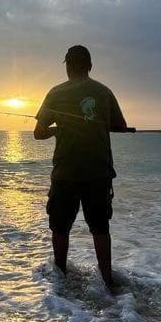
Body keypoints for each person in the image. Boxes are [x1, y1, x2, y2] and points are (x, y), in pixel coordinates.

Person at [33, 45, 130, 291]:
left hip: (66, 172)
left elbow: (38, 133)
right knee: (100, 227)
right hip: (99, 171)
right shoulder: (104, 91)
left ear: (67, 66)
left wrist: (56, 129)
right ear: (89, 66)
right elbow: (120, 126)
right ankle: (107, 281)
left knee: (60, 226)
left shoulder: (56, 92)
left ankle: (60, 276)